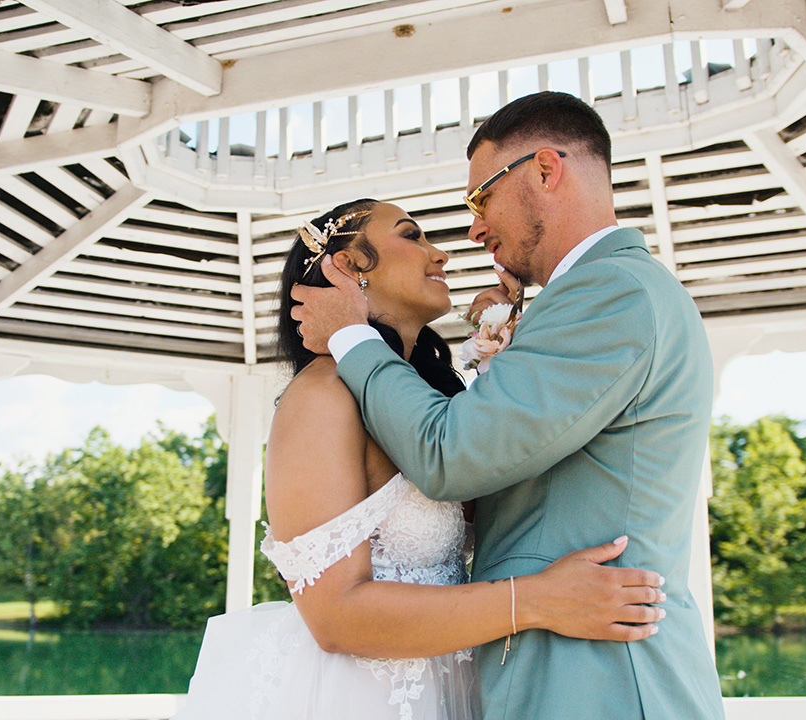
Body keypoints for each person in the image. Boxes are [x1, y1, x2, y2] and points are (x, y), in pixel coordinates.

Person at [291, 92, 727, 719]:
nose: (470, 232)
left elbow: (450, 455)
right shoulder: (594, 297)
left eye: (481, 198)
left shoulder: (612, 291)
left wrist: (350, 334)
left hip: (602, 683)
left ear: (546, 171)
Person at [174, 199, 668, 720]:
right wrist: (541, 600)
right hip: (356, 699)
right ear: (347, 266)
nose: (442, 254)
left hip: (458, 689)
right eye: (413, 236)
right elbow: (335, 617)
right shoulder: (321, 397)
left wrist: (512, 352)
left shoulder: (437, 404)